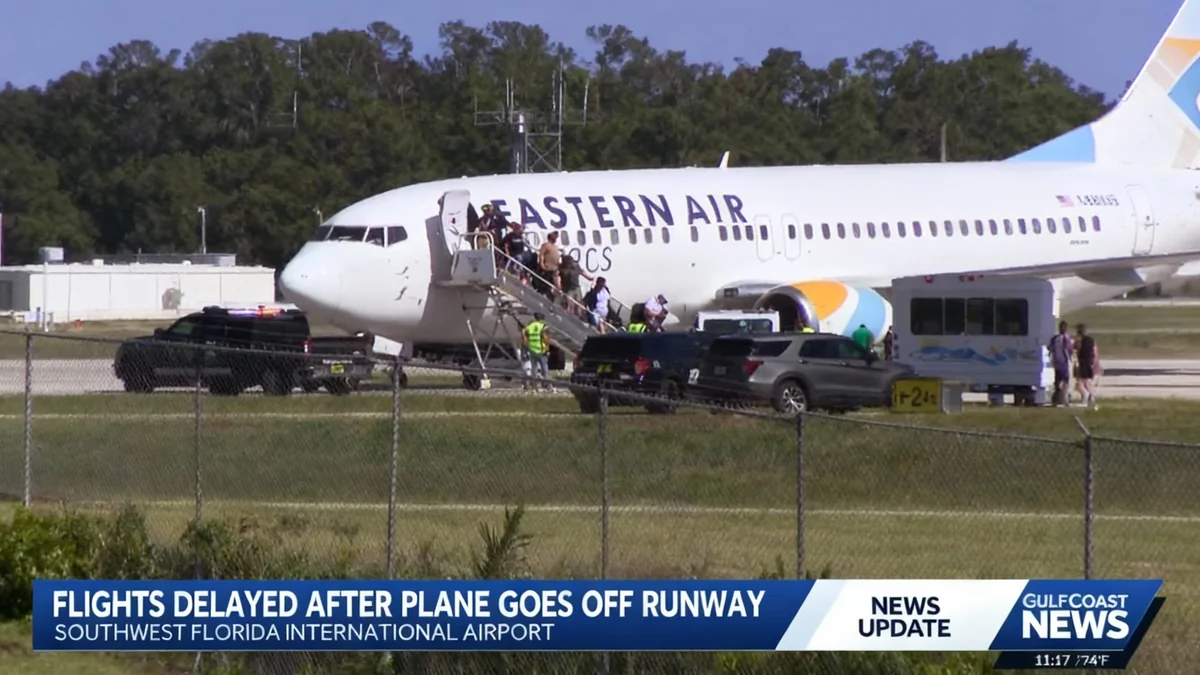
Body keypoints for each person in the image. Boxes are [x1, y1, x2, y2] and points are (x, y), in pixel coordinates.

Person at [1048, 321, 1075, 407]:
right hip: (1063, 362)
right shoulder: (1066, 338)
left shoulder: (1055, 338)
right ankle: (1063, 399)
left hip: (1057, 362)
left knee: (1058, 381)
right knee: (1064, 381)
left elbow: (1050, 348)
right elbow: (1069, 350)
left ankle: (1057, 399)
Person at [522, 312, 550, 389]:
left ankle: (534, 383)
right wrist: (547, 345)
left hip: (532, 349)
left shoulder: (530, 326)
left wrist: (525, 341)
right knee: (544, 367)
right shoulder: (542, 326)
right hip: (541, 349)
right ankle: (546, 383)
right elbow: (544, 336)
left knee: (534, 368)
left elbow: (524, 331)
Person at [1075, 324, 1099, 409]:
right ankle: (1092, 399)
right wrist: (1095, 363)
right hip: (1090, 363)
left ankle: (1085, 396)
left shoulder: (1079, 341)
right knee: (1087, 383)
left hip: (1083, 363)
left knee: (1080, 383)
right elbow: (1095, 352)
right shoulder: (1091, 340)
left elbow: (1078, 352)